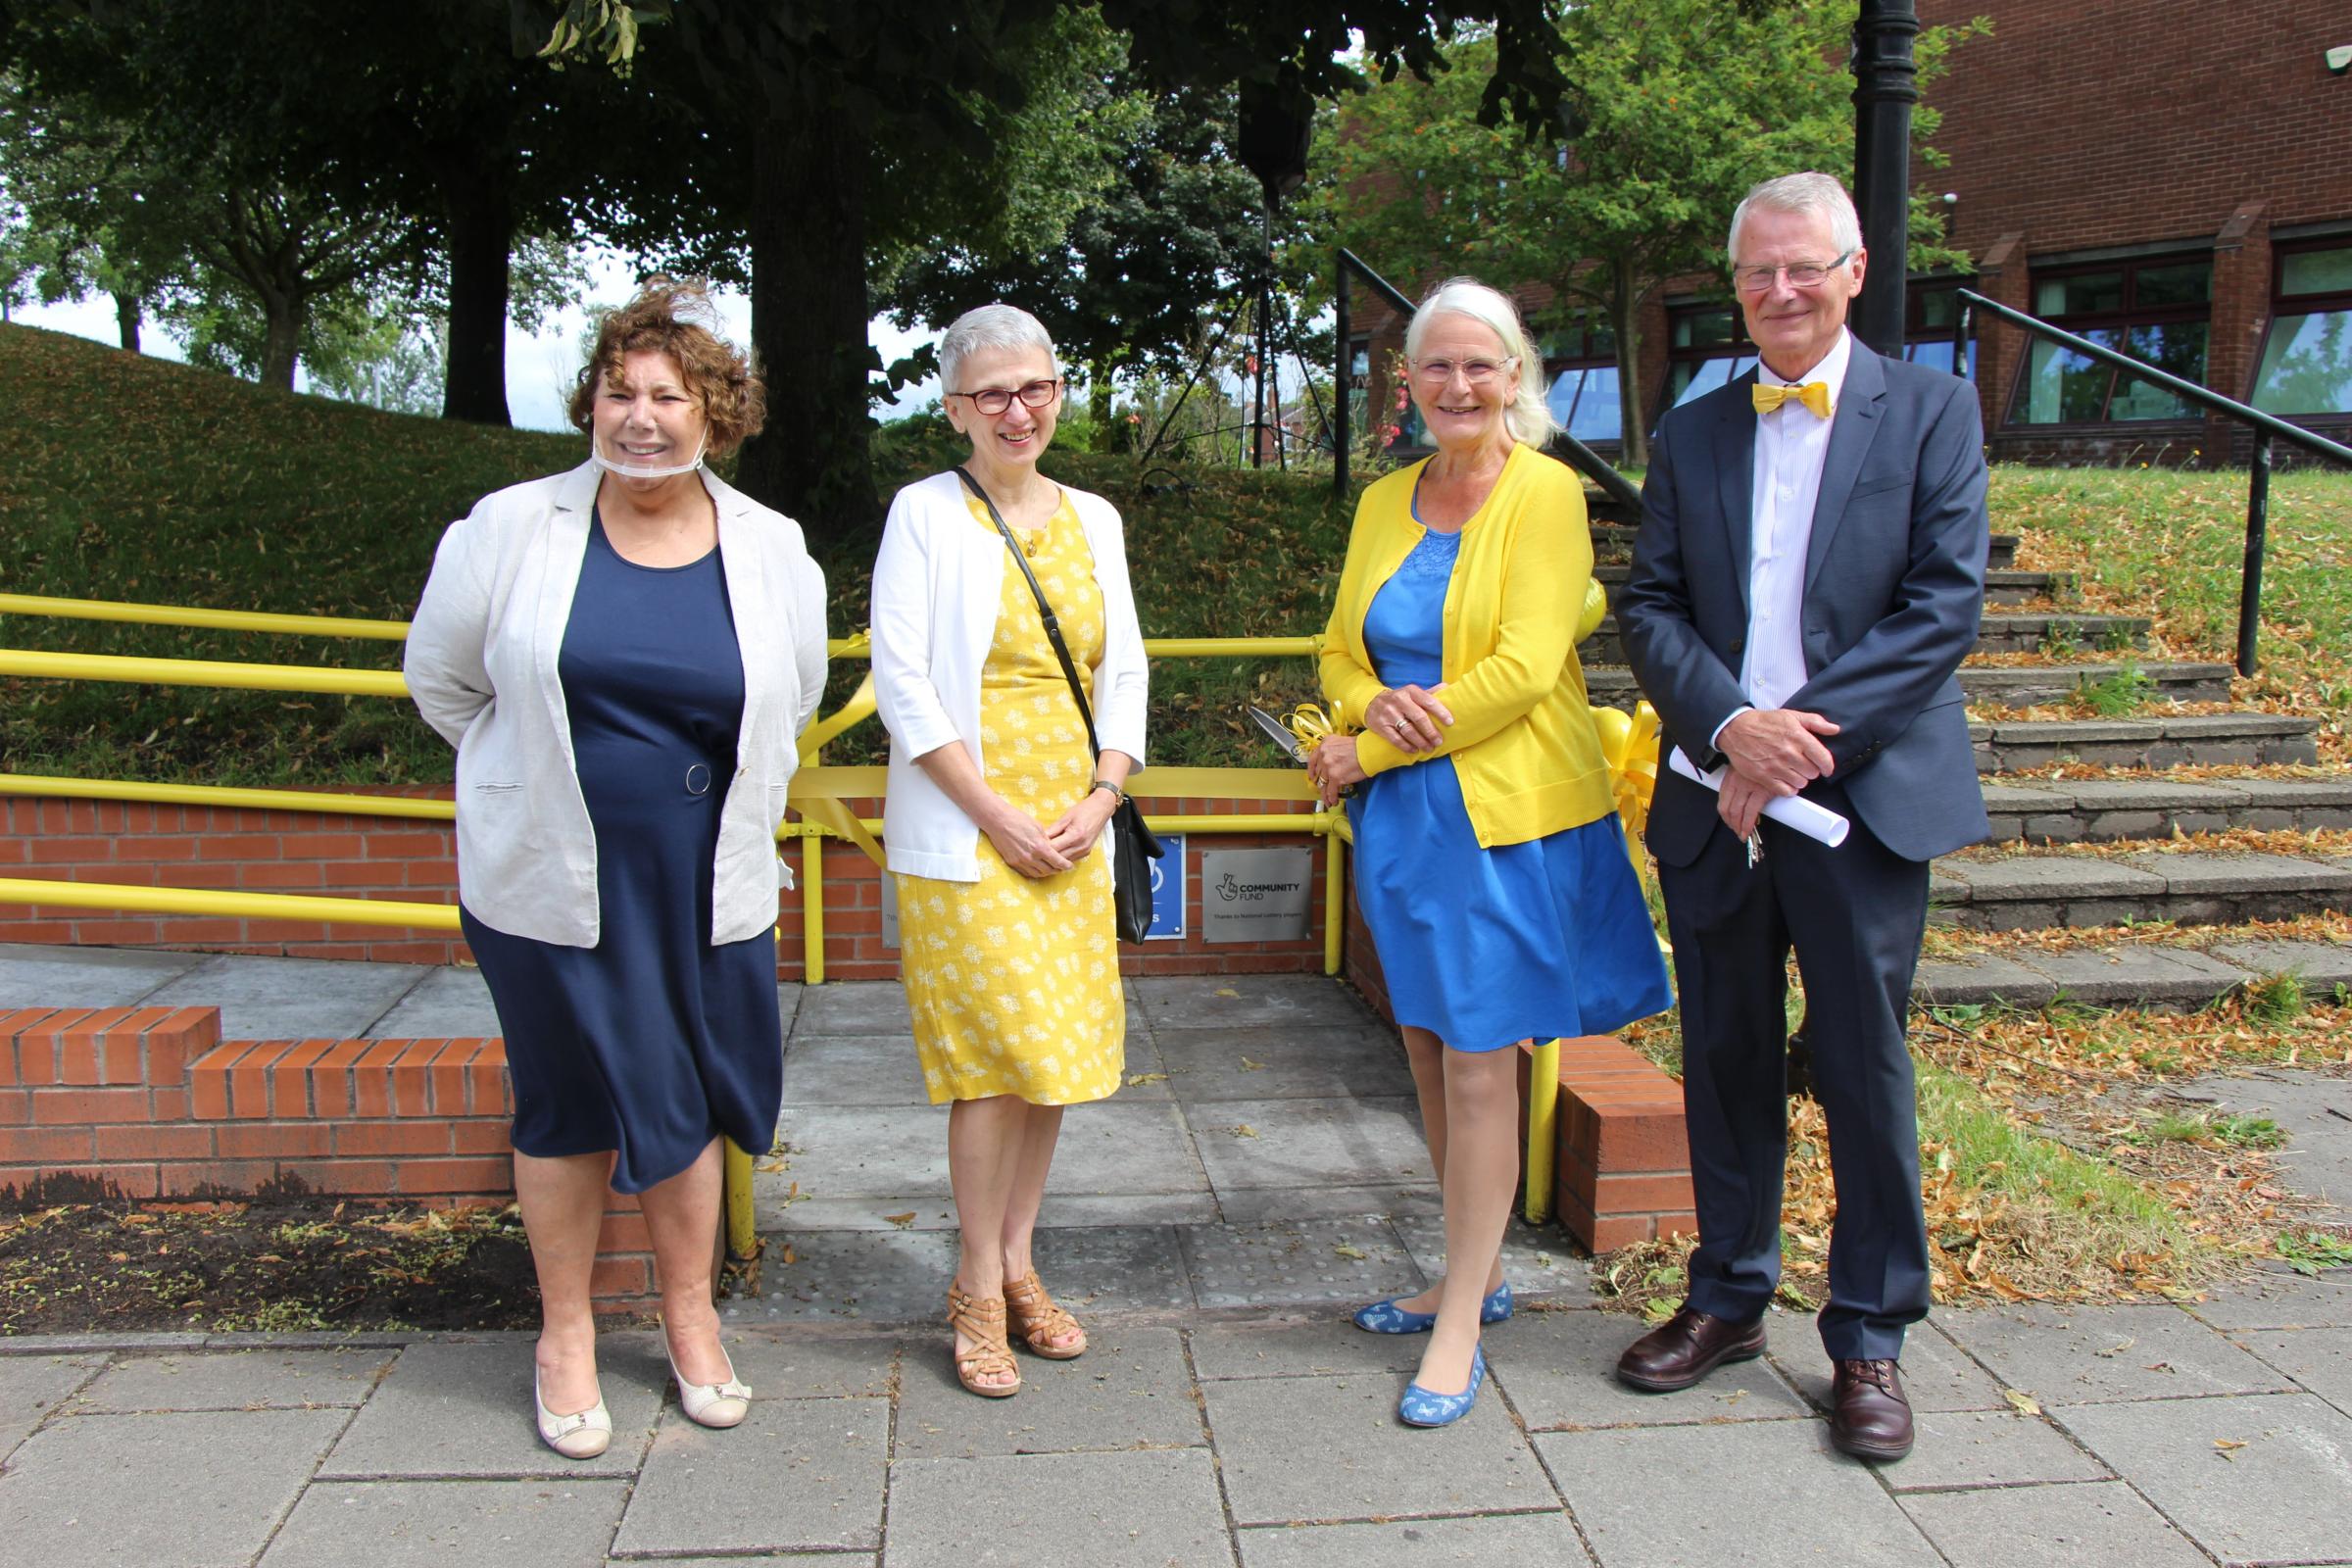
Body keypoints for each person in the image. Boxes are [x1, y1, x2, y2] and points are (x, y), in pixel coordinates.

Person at [405, 280, 828, 1459]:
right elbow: (444, 682)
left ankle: (690, 1321)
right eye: (618, 391)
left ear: (715, 414)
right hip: (547, 875)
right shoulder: (507, 527)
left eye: (667, 396)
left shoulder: (771, 547)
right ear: (591, 401)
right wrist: (529, 783)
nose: (639, 417)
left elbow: (789, 701)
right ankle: (566, 1334)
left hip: (700, 878)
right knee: (567, 1099)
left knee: (690, 1098)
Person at [1613, 172, 1990, 1464]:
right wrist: (1731, 728)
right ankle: (1727, 1295)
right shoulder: (1695, 428)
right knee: (1720, 1056)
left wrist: (1794, 744)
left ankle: (1872, 1333)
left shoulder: (1933, 411)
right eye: (1757, 273)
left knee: (1861, 1067)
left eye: (1803, 268)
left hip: (1862, 803)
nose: (1779, 292)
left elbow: (1941, 608)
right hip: (1713, 798)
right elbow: (1650, 606)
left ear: (1853, 271)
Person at [1310, 276, 1673, 1428]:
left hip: (1501, 816)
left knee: (1477, 1061)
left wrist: (1370, 748)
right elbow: (1337, 649)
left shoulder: (1549, 492)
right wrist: (1369, 714)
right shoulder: (1382, 500)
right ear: (1406, 384)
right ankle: (1475, 1270)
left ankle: (1461, 1314)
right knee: (1426, 1048)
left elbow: (1521, 669)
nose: (1458, 386)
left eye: (1481, 364)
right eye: (1437, 367)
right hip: (1408, 824)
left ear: (1516, 376)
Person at [869, 303, 1148, 1398]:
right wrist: (994, 812)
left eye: (1034, 388)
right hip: (969, 828)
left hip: (1074, 826)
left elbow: (1123, 665)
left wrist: (1104, 789)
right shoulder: (924, 514)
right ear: (953, 409)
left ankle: (1023, 1258)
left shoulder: (1095, 517)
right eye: (992, 393)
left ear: (1057, 393)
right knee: (990, 1064)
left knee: (1054, 1061)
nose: (1017, 409)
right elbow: (903, 682)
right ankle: (978, 1284)